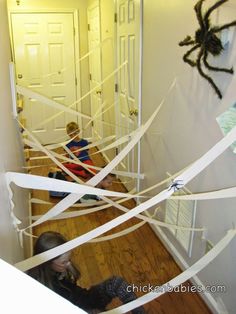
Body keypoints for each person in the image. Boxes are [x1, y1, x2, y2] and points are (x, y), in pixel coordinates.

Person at [27, 231, 145, 314]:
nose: (69, 264)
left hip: (87, 298)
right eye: (64, 262)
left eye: (69, 259)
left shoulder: (55, 270)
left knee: (117, 282)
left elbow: (76, 283)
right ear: (48, 262)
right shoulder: (44, 290)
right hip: (81, 308)